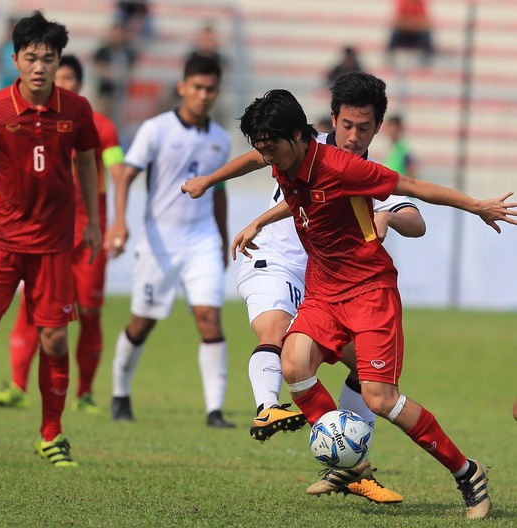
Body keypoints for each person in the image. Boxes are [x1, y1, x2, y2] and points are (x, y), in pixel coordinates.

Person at [204, 88, 515, 519]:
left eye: (272, 150)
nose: (269, 160)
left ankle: (466, 471)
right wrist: (259, 219)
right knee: (293, 365)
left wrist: (476, 205)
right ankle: (346, 463)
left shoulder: (345, 167)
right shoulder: (287, 163)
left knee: (382, 400)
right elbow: (300, 204)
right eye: (263, 151)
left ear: (297, 137)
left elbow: (414, 188)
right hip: (323, 290)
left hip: (369, 292)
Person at [182, 72, 424, 504]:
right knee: (275, 333)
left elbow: (415, 219)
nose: (352, 136)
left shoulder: (366, 173)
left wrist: (387, 217)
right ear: (333, 119)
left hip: (325, 281)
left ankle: (347, 462)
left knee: (369, 372)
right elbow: (258, 156)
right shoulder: (303, 143)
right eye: (346, 126)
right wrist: (209, 181)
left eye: (362, 128)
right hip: (272, 256)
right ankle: (265, 407)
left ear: (376, 128)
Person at [0, 12, 102, 468]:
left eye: (48, 58)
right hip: (1, 240)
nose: (40, 67)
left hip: (52, 245)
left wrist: (93, 223)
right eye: (31, 58)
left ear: (58, 60)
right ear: (15, 60)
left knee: (54, 342)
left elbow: (87, 163)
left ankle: (51, 435)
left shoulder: (77, 111)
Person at [0, 54, 125, 414]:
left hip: (88, 237)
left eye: (68, 78)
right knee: (32, 310)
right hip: (49, 234)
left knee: (90, 312)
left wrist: (117, 223)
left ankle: (85, 393)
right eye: (57, 77)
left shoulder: (100, 126)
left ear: (79, 84)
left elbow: (119, 171)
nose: (61, 84)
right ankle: (18, 385)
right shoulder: (36, 124)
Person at [107, 55, 234, 428]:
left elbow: (220, 193)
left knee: (209, 318)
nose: (203, 95)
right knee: (142, 322)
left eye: (210, 88)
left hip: (202, 241)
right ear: (182, 87)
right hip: (159, 242)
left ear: (217, 91)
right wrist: (119, 222)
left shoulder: (221, 139)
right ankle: (120, 393)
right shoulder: (156, 129)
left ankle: (214, 410)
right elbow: (125, 176)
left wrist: (223, 239)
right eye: (197, 87)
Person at [93, 23, 137, 126]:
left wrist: (114, 72)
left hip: (121, 93)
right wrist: (114, 72)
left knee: (117, 122)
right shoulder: (103, 51)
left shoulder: (128, 51)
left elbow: (129, 70)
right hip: (105, 93)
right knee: (100, 121)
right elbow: (101, 70)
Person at [387, 0, 434, 65]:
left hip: (415, 33)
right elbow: (397, 21)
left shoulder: (420, 3)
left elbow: (425, 22)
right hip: (405, 32)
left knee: (427, 34)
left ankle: (426, 62)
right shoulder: (403, 2)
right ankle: (389, 59)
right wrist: (414, 23)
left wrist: (408, 23)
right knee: (395, 33)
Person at [384, 115, 417, 179]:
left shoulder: (403, 151)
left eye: (393, 127)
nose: (390, 130)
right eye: (389, 127)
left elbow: (413, 174)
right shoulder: (391, 149)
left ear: (399, 129)